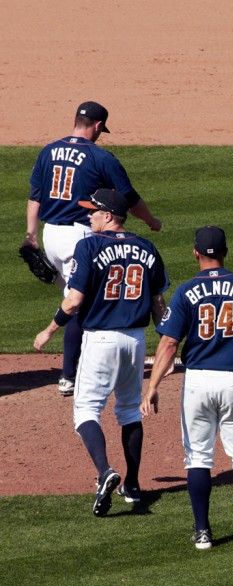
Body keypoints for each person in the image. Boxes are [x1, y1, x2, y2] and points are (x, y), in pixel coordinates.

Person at [33, 189, 168, 516]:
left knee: (86, 412)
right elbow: (159, 307)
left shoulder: (89, 245)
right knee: (129, 413)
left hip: (101, 341)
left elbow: (75, 300)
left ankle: (106, 471)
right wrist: (168, 346)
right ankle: (132, 485)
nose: (88, 215)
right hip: (135, 341)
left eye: (93, 211)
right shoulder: (147, 248)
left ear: (109, 216)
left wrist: (49, 330)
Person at [142, 227, 233, 554]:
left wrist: (153, 386)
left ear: (195, 253)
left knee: (198, 457)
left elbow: (170, 342)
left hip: (198, 381)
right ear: (226, 251)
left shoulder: (186, 292)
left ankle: (202, 531)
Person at [26, 101, 162, 396]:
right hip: (81, 237)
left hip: (51, 235)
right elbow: (128, 197)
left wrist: (31, 235)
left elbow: (35, 196)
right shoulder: (100, 156)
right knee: (79, 302)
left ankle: (80, 366)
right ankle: (69, 375)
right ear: (98, 126)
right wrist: (151, 220)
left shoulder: (48, 150)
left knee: (75, 297)